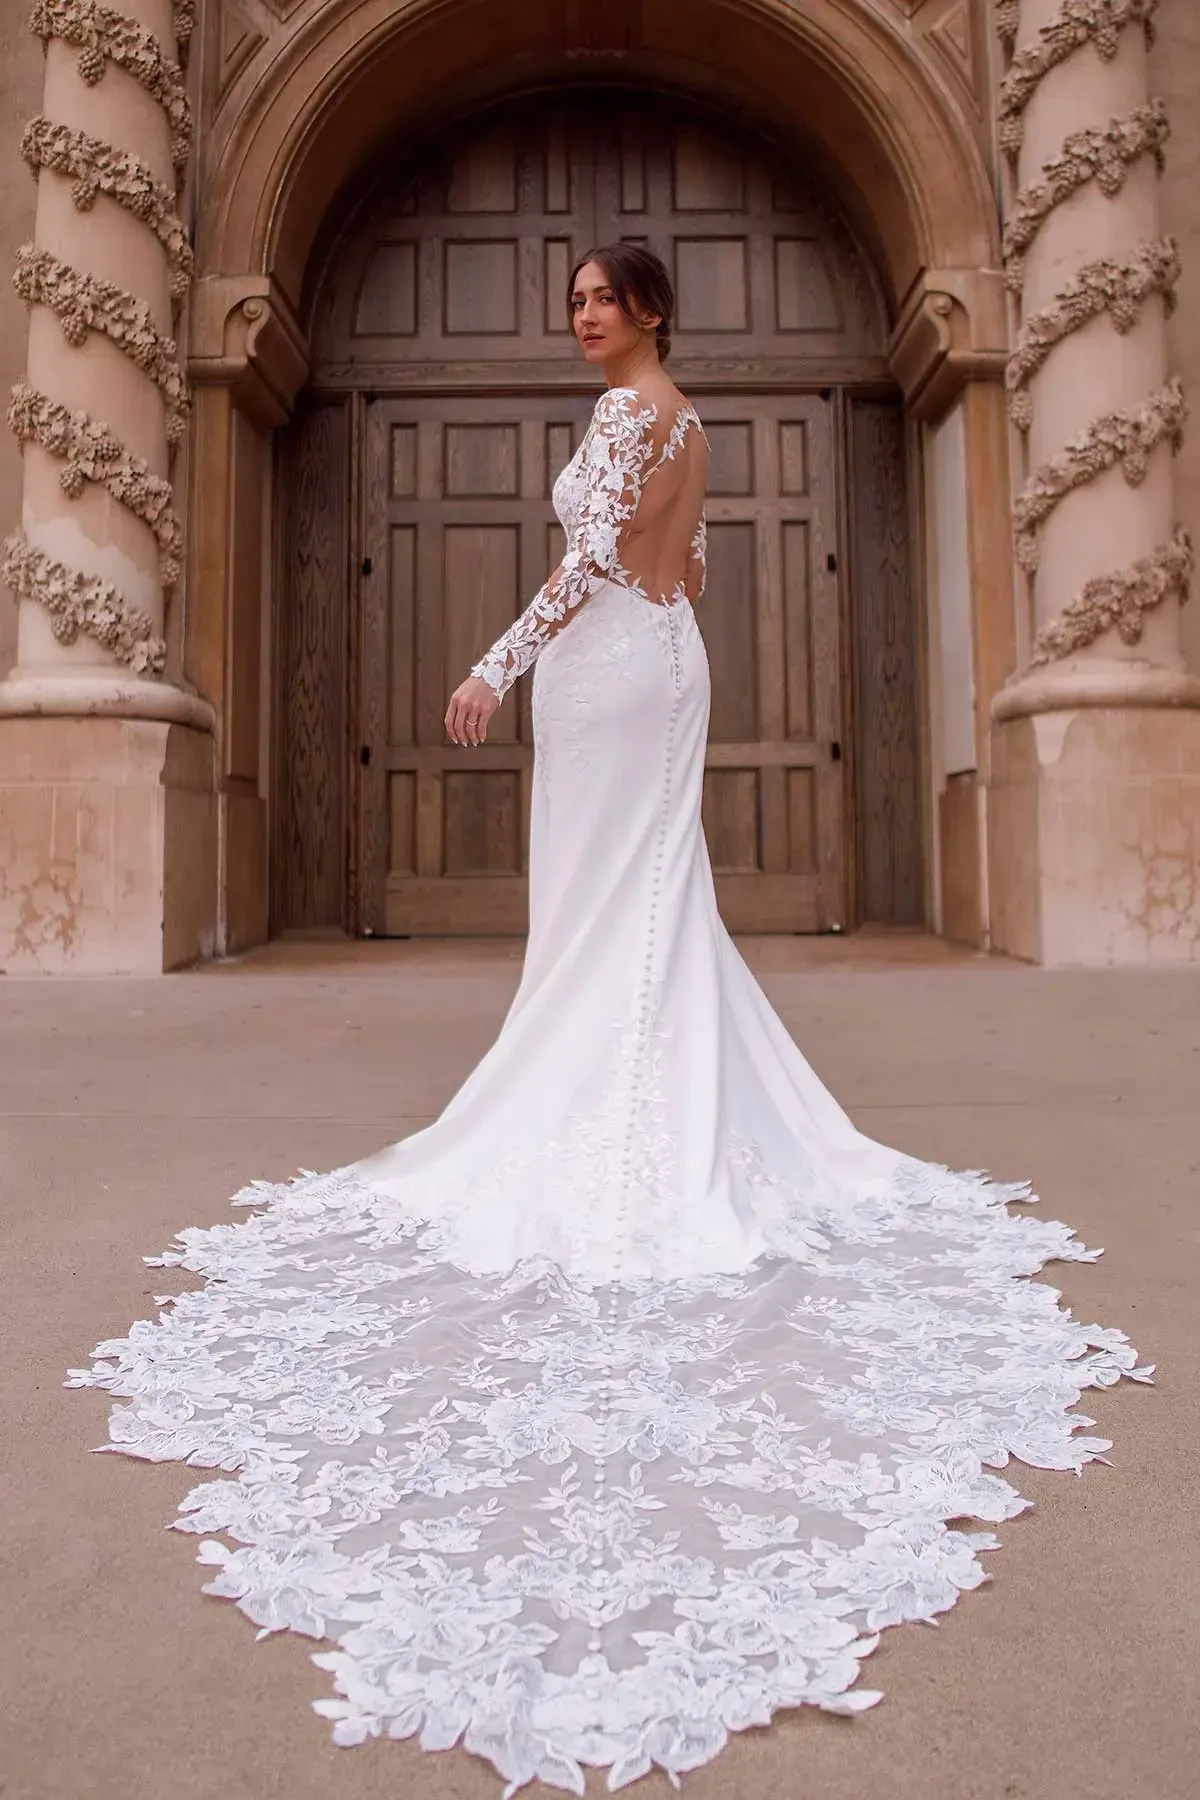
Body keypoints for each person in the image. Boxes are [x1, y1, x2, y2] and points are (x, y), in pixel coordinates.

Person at [70, 245, 1149, 1795]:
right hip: (655, 661)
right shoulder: (682, 420)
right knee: (629, 900)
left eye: (599, 299)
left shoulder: (637, 414)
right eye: (570, 298)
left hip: (606, 667)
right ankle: (629, 1080)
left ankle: (621, 1107)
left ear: (648, 311)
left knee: (611, 904)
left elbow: (588, 566)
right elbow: (684, 569)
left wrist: (494, 666)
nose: (579, 315)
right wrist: (631, 614)